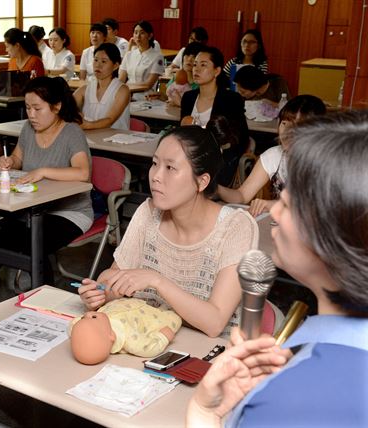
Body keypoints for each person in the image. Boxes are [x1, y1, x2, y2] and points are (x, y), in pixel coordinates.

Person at [187, 110, 368, 428]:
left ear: (333, 234)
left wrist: (205, 413)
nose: (276, 213)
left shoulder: (299, 398)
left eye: (288, 201)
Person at [78, 126, 258, 338]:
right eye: (155, 164)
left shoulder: (236, 227)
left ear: (202, 181)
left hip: (210, 353)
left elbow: (215, 322)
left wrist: (157, 281)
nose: (155, 176)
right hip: (150, 338)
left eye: (170, 168)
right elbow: (115, 276)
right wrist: (101, 293)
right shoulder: (147, 212)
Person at [0, 76, 92, 312]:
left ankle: (46, 304)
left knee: (31, 243)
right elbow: (19, 158)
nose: (31, 114)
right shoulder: (29, 130)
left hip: (69, 213)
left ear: (57, 106)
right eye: (28, 108)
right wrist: (9, 161)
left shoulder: (71, 132)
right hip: (32, 209)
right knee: (0, 243)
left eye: (38, 108)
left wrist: (42, 171)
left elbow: (83, 173)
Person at [217, 95, 326, 217]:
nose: (288, 132)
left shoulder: (326, 162)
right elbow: (242, 195)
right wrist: (215, 188)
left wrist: (274, 205)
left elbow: (317, 210)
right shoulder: (274, 156)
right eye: (284, 123)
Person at [181, 46, 249, 185]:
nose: (196, 69)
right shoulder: (188, 97)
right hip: (188, 157)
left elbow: (241, 138)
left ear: (217, 71)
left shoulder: (231, 99)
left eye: (203, 65)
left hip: (219, 160)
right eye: (195, 65)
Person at [69, 298, 182, 364]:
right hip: (146, 317)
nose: (88, 314)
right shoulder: (129, 339)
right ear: (111, 336)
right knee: (173, 319)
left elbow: (74, 324)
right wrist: (163, 337)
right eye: (93, 317)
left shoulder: (91, 325)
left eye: (84, 317)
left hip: (126, 302)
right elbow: (149, 349)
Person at [73, 43, 130, 130]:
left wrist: (86, 125)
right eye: (95, 60)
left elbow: (110, 120)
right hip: (90, 138)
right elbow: (67, 106)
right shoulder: (85, 89)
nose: (98, 65)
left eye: (104, 61)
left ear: (115, 66)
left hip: (115, 141)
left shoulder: (122, 90)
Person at [119, 20, 165, 89]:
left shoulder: (158, 57)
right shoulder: (129, 54)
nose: (138, 36)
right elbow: (121, 80)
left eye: (142, 33)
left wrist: (127, 87)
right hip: (126, 93)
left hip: (145, 95)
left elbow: (148, 85)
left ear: (150, 36)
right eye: (135, 32)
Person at [166, 42, 202, 107]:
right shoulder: (177, 77)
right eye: (187, 55)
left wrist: (180, 104)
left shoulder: (200, 85)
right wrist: (159, 96)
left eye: (194, 56)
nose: (189, 59)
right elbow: (168, 97)